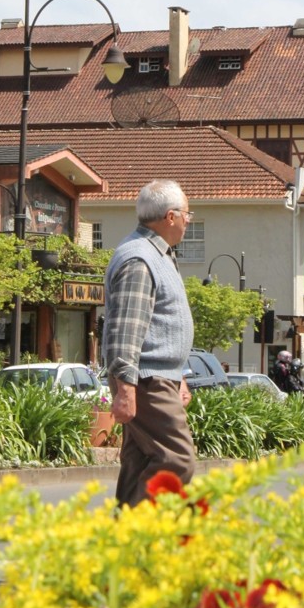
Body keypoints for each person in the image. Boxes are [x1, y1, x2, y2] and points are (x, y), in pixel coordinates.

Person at [103, 179, 195, 508]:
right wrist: (126, 387)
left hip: (158, 375)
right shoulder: (139, 259)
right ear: (170, 217)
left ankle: (124, 548)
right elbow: (126, 329)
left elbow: (159, 325)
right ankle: (139, 538)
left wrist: (179, 373)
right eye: (187, 214)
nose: (189, 220)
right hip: (146, 379)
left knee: (141, 459)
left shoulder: (159, 255)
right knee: (177, 460)